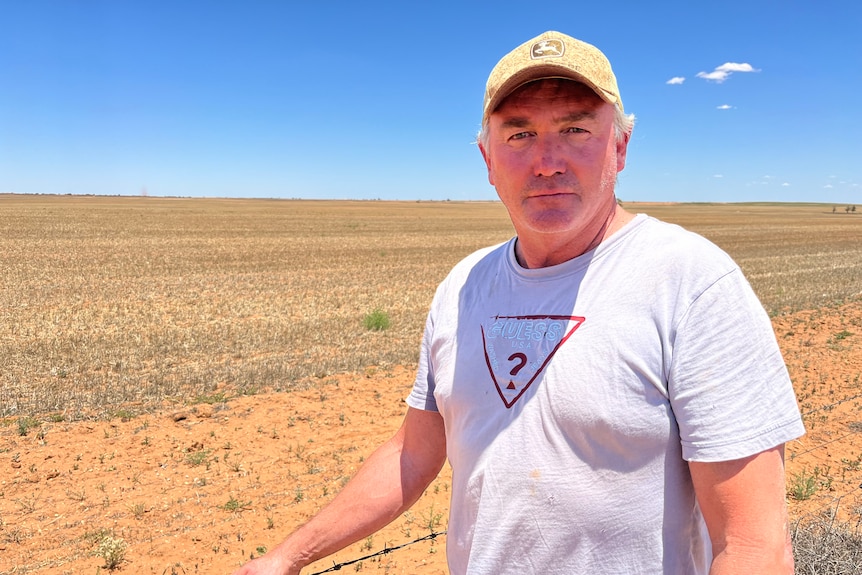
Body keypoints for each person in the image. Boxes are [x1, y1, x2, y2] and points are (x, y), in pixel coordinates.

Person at [232, 31, 805, 575]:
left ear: (621, 146)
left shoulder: (691, 284)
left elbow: (754, 546)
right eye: (519, 133)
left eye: (577, 130)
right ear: (486, 158)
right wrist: (286, 556)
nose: (547, 160)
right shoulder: (463, 287)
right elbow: (413, 452)